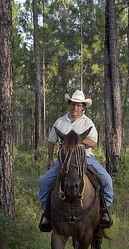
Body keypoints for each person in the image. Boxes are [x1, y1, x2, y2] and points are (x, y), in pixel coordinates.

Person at [38, 90, 114, 232]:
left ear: (83, 107)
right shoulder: (60, 122)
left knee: (106, 180)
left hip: (85, 158)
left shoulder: (87, 122)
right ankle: (47, 213)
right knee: (43, 182)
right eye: (73, 105)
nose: (75, 108)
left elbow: (92, 142)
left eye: (79, 105)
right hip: (64, 160)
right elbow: (51, 141)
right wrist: (50, 160)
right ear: (70, 105)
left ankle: (104, 210)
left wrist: (75, 141)